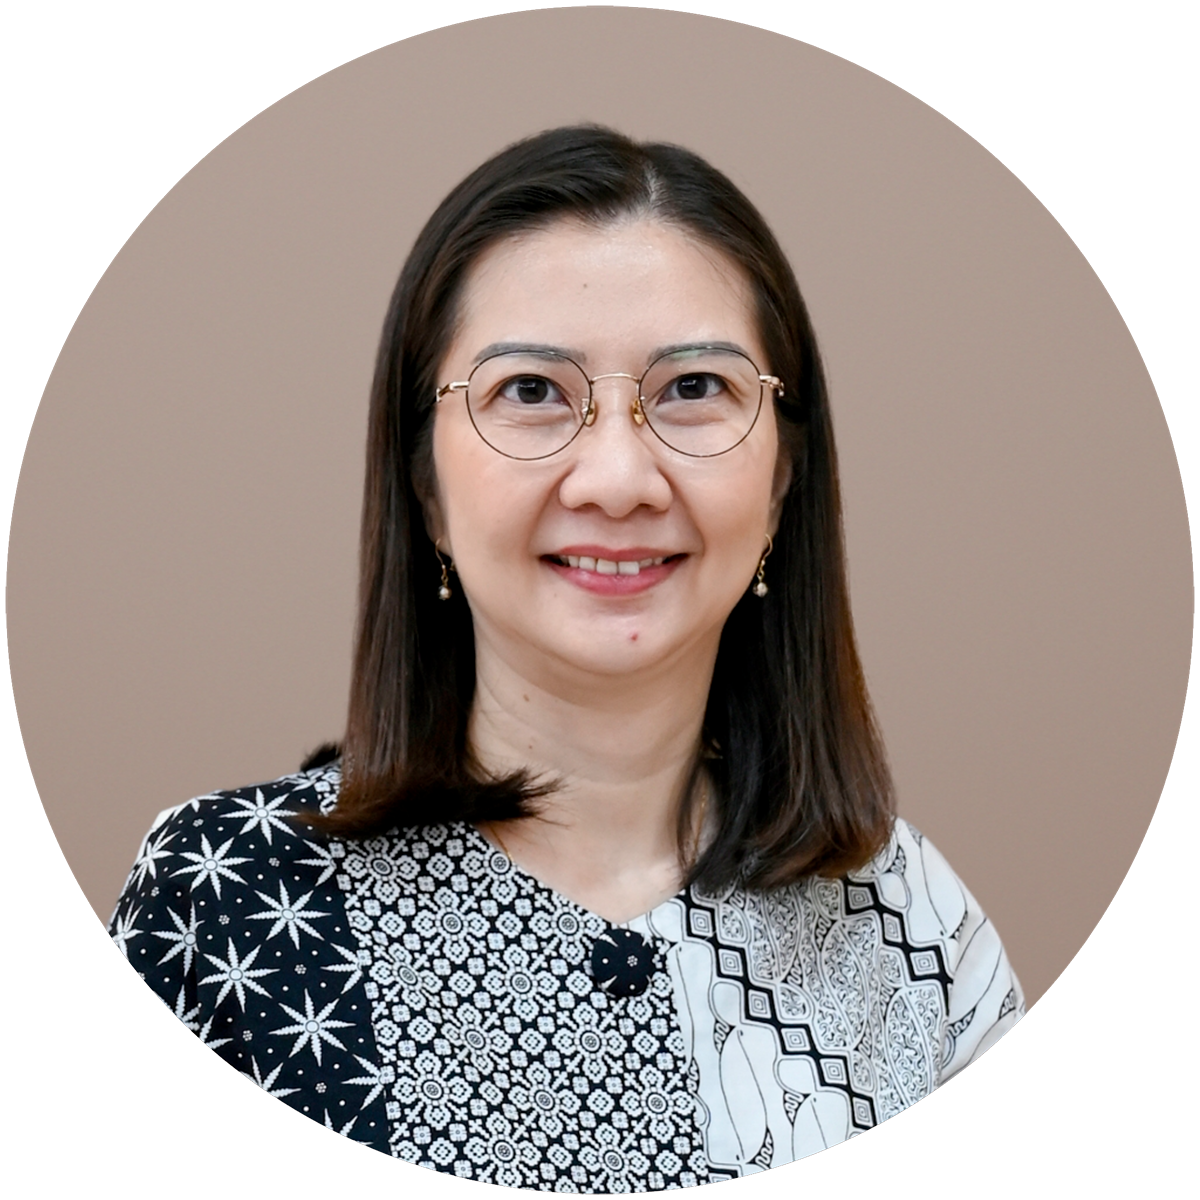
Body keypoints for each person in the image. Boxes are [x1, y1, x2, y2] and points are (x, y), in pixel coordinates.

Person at [109, 125, 1024, 1192]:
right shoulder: (223, 903)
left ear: (782, 481)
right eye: (532, 391)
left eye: (695, 388)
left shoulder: (920, 935)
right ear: (425, 487)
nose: (619, 480)